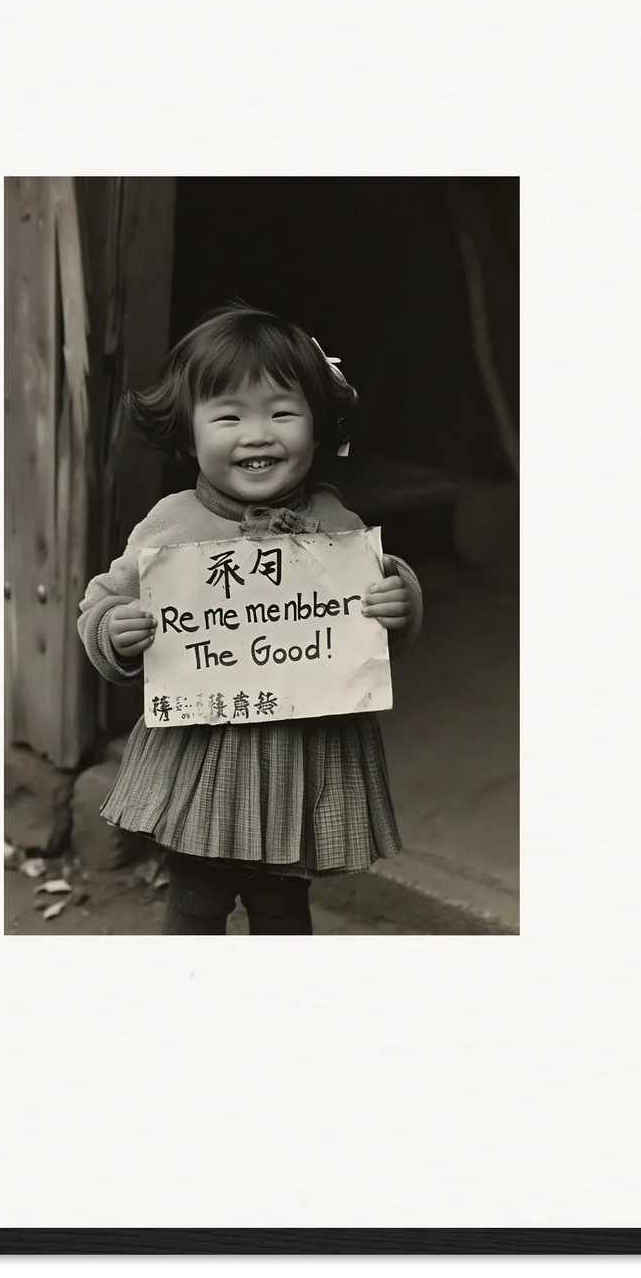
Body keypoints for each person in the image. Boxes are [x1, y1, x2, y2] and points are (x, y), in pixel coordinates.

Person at [76, 301, 423, 934]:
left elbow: (365, 627)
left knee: (282, 905)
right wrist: (114, 630)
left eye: (282, 412)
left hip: (302, 760)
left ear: (318, 429)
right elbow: (102, 599)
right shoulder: (170, 525)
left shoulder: (337, 526)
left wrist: (397, 603)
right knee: (196, 898)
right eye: (229, 415)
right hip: (206, 757)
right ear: (189, 433)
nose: (257, 433)